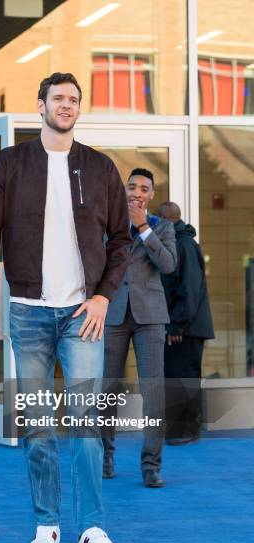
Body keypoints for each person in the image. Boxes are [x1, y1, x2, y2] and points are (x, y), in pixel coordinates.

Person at [0, 72, 130, 543]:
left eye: (74, 100)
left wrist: (103, 297)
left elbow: (122, 240)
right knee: (38, 424)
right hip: (29, 314)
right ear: (39, 105)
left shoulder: (100, 168)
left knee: (84, 424)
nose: (67, 105)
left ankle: (91, 529)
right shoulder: (10, 163)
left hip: (84, 315)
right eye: (58, 98)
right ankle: (47, 523)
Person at [102, 168, 177, 486]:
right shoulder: (107, 223)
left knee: (153, 392)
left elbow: (169, 265)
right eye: (131, 186)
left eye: (143, 188)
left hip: (150, 317)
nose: (136, 192)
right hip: (113, 314)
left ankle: (151, 465)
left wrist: (144, 228)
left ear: (151, 195)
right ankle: (104, 457)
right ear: (124, 190)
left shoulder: (163, 227)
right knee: (107, 391)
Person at [157, 201, 214, 445]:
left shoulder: (184, 245)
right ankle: (180, 429)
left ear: (166, 220)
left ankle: (186, 431)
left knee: (183, 377)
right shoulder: (179, 243)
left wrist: (178, 325)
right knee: (176, 376)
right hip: (183, 325)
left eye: (157, 220)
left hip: (185, 328)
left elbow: (188, 290)